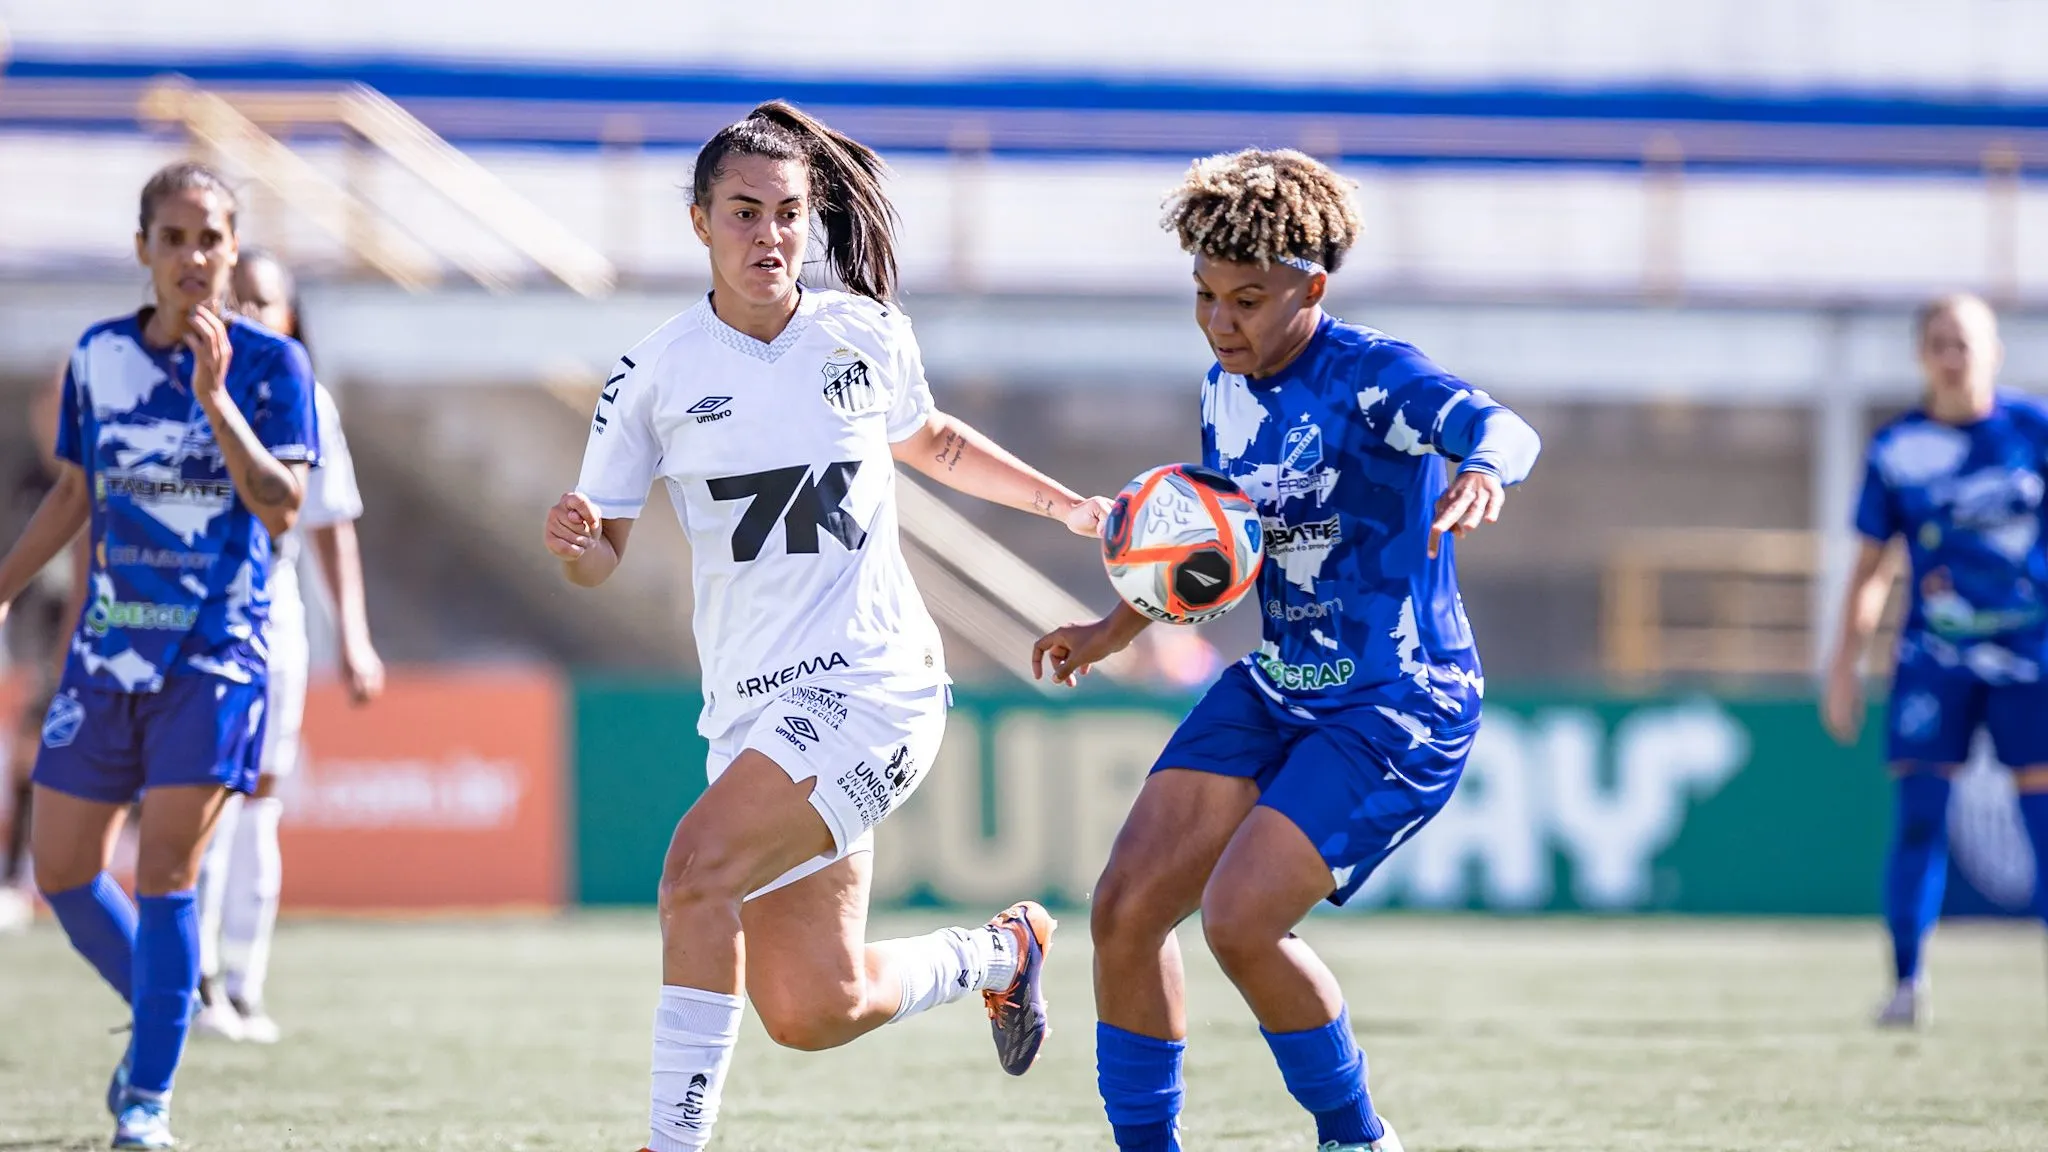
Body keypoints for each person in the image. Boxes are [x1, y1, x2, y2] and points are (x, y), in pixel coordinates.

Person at [544, 100, 1111, 1152]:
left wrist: (1065, 507)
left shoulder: (863, 331)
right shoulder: (652, 373)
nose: (769, 235)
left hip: (872, 684)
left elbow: (931, 441)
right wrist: (578, 544)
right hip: (749, 710)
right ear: (699, 221)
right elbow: (600, 554)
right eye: (743, 212)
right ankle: (1002, 953)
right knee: (815, 1005)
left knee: (695, 873)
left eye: (789, 214)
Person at [1032, 148, 1541, 1152]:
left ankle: (1358, 1140)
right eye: (1204, 295)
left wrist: (1483, 469)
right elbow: (1210, 551)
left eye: (1247, 300)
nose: (1220, 322)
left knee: (1239, 919)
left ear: (1312, 289)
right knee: (1124, 910)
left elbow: (1503, 429)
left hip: (1398, 702)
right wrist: (1111, 628)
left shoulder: (1373, 376)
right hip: (1278, 686)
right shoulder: (1221, 390)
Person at [0, 161, 317, 1148]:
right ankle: (162, 1015)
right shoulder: (99, 355)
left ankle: (146, 1101)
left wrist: (216, 400)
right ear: (142, 248)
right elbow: (73, 492)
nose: (191, 257)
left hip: (215, 659)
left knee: (169, 875)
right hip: (107, 655)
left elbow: (283, 506)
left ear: (232, 248)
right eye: (172, 238)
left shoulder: (272, 367)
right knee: (62, 872)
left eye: (209, 238)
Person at [1822, 293, 2048, 1028]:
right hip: (1934, 660)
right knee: (1921, 817)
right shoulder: (1897, 449)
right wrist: (1844, 663)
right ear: (1922, 355)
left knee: (2042, 818)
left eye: (1966, 343)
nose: (1954, 357)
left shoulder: (2034, 433)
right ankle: (1907, 982)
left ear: (1995, 352)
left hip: (2030, 659)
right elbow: (1872, 568)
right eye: (1940, 344)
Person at [192, 249, 385, 1044]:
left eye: (262, 301)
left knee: (261, 800)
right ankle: (195, 978)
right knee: (206, 798)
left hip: (273, 625)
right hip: (193, 622)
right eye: (233, 298)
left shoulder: (305, 398)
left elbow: (331, 526)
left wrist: (355, 638)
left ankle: (244, 981)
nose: (246, 314)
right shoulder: (186, 388)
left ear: (290, 316)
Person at [0, 376, 92, 931]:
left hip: (98, 642)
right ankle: (15, 880)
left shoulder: (100, 478)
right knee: (27, 752)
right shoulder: (28, 482)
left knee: (114, 764)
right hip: (46, 646)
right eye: (46, 410)